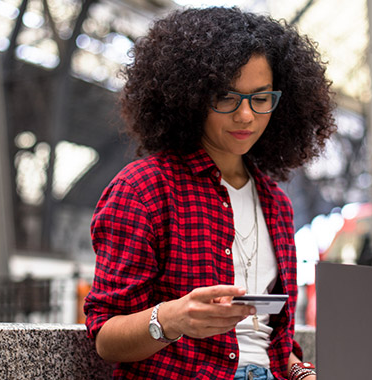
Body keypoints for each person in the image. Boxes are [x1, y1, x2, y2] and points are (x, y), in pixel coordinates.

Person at [84, 6, 335, 380]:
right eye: (226, 97)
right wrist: (172, 318)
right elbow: (106, 338)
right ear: (191, 96)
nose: (246, 115)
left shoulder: (277, 204)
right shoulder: (144, 189)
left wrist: (301, 372)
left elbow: (271, 340)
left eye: (261, 98)